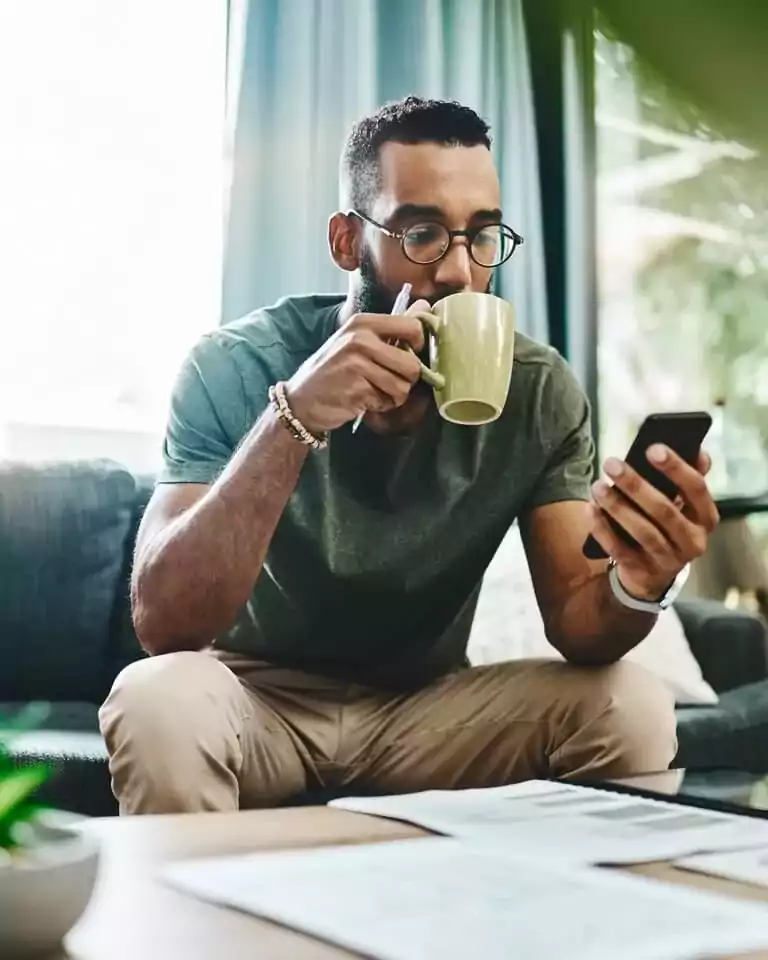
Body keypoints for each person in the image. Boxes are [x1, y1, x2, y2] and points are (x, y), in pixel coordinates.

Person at [100, 97, 719, 814]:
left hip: (427, 715)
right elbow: (165, 624)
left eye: (483, 236)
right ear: (345, 242)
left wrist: (642, 581)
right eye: (422, 232)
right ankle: (203, 926)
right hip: (255, 702)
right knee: (156, 701)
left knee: (630, 704)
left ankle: (570, 925)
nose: (459, 271)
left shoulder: (538, 391)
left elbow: (581, 627)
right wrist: (292, 420)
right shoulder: (234, 366)